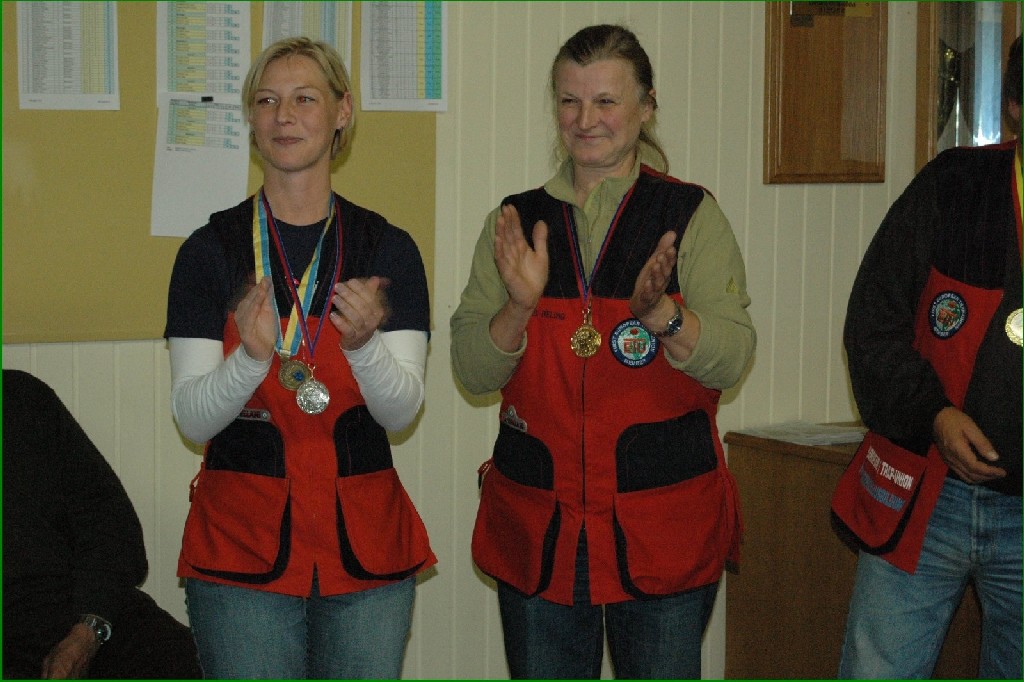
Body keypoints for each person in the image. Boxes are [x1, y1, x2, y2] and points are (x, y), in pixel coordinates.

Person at [450, 24, 756, 680]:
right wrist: (518, 307)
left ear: (646, 107)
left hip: (663, 530)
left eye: (606, 101)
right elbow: (472, 370)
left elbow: (733, 357)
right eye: (569, 101)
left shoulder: (689, 214)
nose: (585, 120)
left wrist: (661, 314)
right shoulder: (516, 221)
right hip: (541, 530)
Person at [163, 37, 435, 679]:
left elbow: (400, 412)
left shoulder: (387, 248)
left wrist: (363, 346)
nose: (284, 116)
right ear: (251, 120)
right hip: (242, 549)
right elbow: (193, 420)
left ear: (343, 111)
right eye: (267, 101)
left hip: (363, 547)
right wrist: (250, 360)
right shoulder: (209, 251)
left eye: (305, 99)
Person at [838, 35, 1022, 679]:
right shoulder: (955, 185)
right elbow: (872, 324)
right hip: (930, 492)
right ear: (1016, 106)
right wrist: (936, 416)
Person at [2, 369, 203, 680]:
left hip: (85, 616)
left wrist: (87, 632)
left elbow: (111, 525)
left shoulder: (20, 398)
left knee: (184, 660)